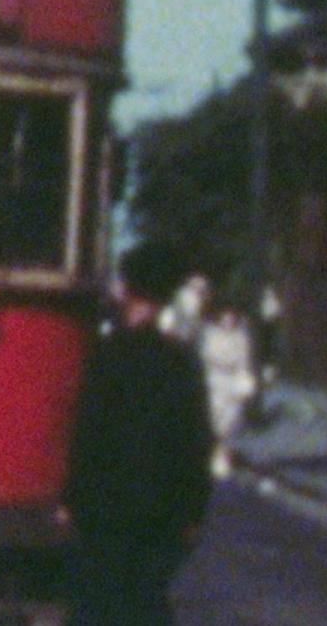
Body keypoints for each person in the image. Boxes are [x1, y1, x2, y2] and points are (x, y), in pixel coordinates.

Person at [64, 242, 214, 626]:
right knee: (147, 604)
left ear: (127, 290)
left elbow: (87, 431)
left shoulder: (105, 356)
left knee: (97, 605)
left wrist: (71, 498)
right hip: (160, 512)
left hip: (104, 508)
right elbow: (196, 442)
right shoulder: (181, 363)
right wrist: (193, 511)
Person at [198, 306, 255, 478]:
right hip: (213, 380)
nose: (228, 320)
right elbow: (204, 356)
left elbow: (244, 361)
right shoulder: (210, 333)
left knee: (228, 422)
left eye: (231, 317)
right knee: (212, 419)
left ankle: (222, 455)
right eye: (225, 316)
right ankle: (210, 453)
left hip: (231, 382)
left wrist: (244, 381)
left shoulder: (241, 337)